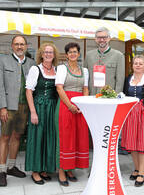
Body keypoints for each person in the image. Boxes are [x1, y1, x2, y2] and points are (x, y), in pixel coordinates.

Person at [0, 35, 36, 187]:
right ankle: (2, 170)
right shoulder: (3, 61)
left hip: (24, 107)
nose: (19, 47)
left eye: (22, 44)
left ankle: (11, 166)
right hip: (9, 106)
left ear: (26, 46)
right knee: (5, 136)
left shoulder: (31, 63)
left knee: (17, 136)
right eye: (16, 44)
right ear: (12, 46)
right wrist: (2, 107)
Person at [55, 42, 89, 186]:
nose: (73, 54)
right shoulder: (62, 68)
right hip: (65, 106)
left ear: (79, 54)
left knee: (77, 138)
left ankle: (70, 169)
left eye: (75, 51)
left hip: (80, 107)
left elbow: (85, 88)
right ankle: (62, 171)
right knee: (65, 139)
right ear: (67, 55)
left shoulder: (84, 70)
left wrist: (84, 104)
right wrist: (70, 105)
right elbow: (59, 88)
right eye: (70, 52)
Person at [25, 43, 59, 185]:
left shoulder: (57, 70)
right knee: (37, 138)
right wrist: (33, 112)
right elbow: (28, 91)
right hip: (39, 106)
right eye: (46, 52)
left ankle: (44, 168)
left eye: (51, 52)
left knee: (49, 137)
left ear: (54, 54)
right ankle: (35, 171)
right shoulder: (35, 69)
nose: (48, 54)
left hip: (52, 107)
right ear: (41, 54)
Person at [121, 55, 144, 187]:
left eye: (141, 63)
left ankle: (141, 172)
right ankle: (136, 168)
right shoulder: (128, 79)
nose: (138, 65)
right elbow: (124, 95)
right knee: (132, 143)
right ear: (132, 65)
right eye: (136, 63)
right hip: (130, 115)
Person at [83, 26, 125, 95]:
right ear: (95, 39)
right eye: (99, 37)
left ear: (109, 38)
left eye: (104, 37)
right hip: (92, 96)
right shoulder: (88, 55)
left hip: (109, 97)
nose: (102, 40)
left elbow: (120, 80)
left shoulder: (119, 56)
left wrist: (116, 96)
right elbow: (85, 78)